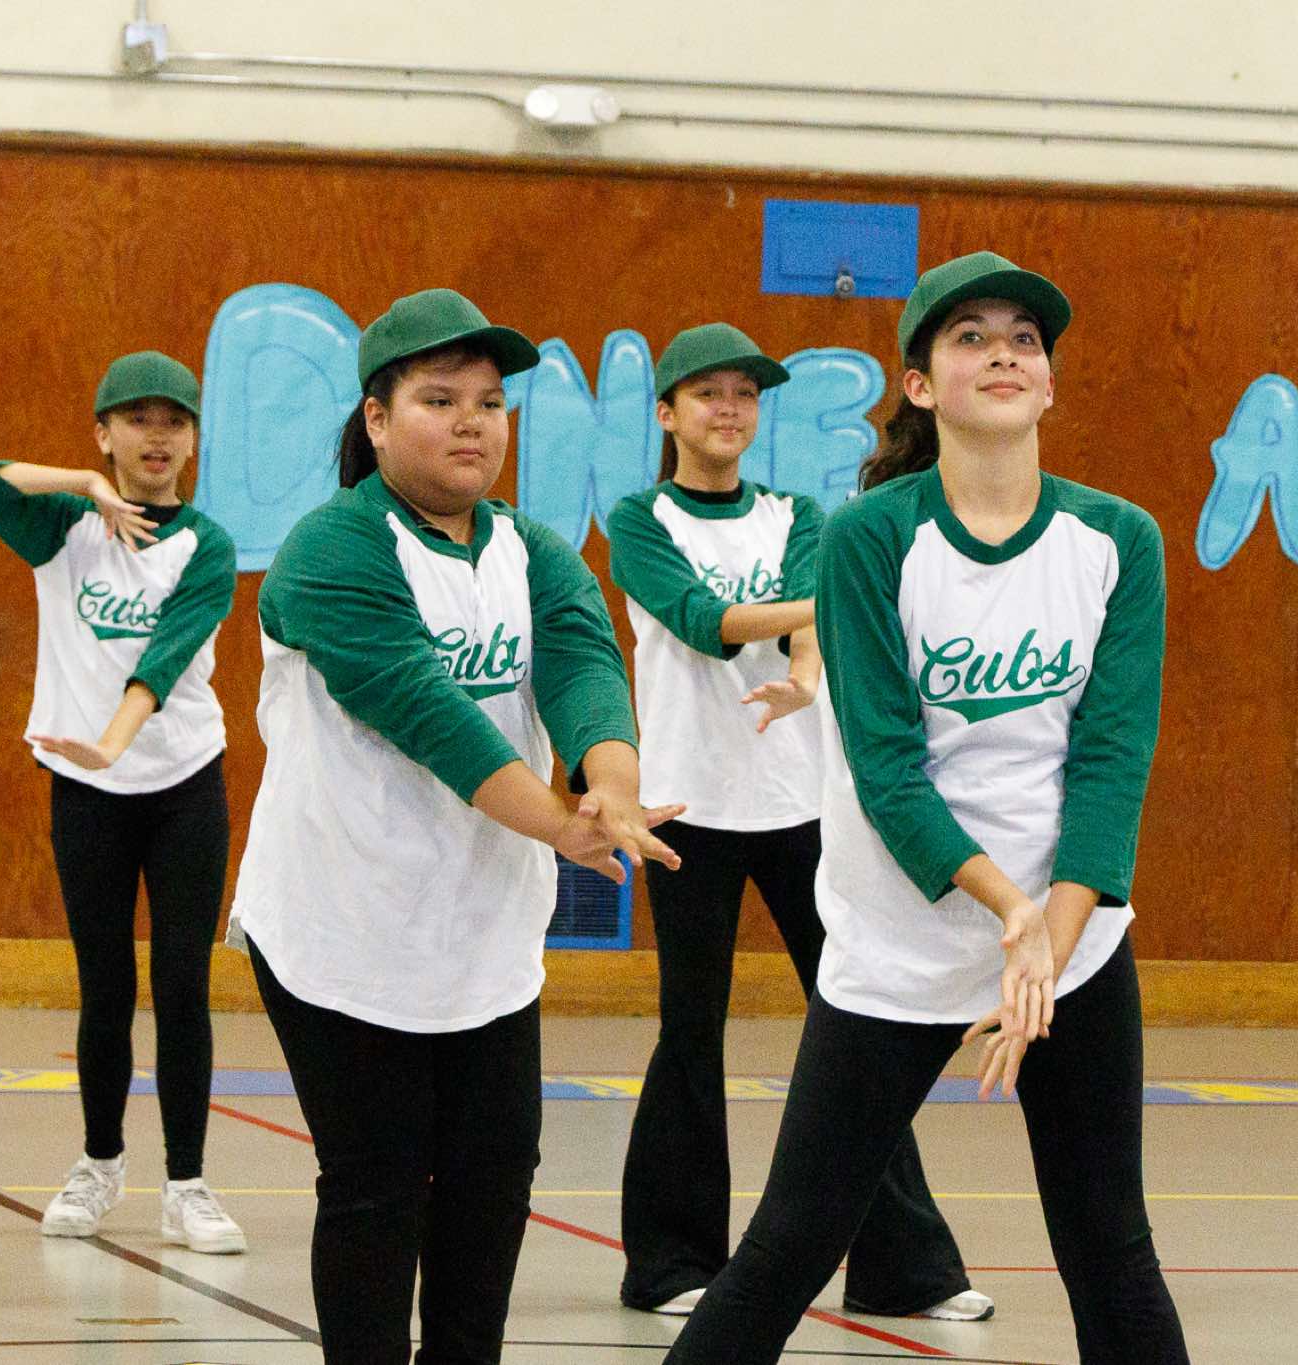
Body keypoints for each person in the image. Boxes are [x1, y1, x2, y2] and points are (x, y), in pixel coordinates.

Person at [666, 252, 1191, 1363]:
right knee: (791, 1245)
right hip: (901, 938)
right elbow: (888, 772)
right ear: (919, 385)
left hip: (1066, 944)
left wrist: (1049, 942)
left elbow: (1111, 763)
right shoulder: (869, 539)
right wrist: (1008, 911)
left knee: (1111, 1246)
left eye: (1024, 339)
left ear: (1048, 383)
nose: (1003, 353)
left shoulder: (1118, 541)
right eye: (970, 337)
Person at [229, 287, 680, 1363]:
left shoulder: (532, 549)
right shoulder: (331, 550)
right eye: (439, 400)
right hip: (341, 930)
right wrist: (563, 826)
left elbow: (583, 667)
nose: (472, 422)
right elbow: (435, 721)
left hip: (481, 935)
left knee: (491, 1184)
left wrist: (612, 785)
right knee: (375, 1187)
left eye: (488, 402)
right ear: (377, 419)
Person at [609, 323, 985, 1320]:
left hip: (800, 806)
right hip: (687, 809)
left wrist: (806, 677)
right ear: (667, 412)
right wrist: (810, 614)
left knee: (860, 1021)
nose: (728, 410)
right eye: (708, 394)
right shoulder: (640, 519)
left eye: (744, 394)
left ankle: (903, 1267)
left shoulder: (797, 515)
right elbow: (701, 621)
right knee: (691, 1029)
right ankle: (670, 1264)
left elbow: (814, 628)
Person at [0, 352, 243, 1253]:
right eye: (137, 419)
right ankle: (100, 1161)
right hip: (85, 790)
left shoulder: (208, 545)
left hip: (183, 780)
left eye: (175, 422)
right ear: (104, 432)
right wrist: (83, 485)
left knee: (182, 983)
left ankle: (187, 1183)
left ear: (193, 440)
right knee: (104, 983)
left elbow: (165, 657)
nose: (158, 437)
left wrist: (117, 739)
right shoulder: (64, 531)